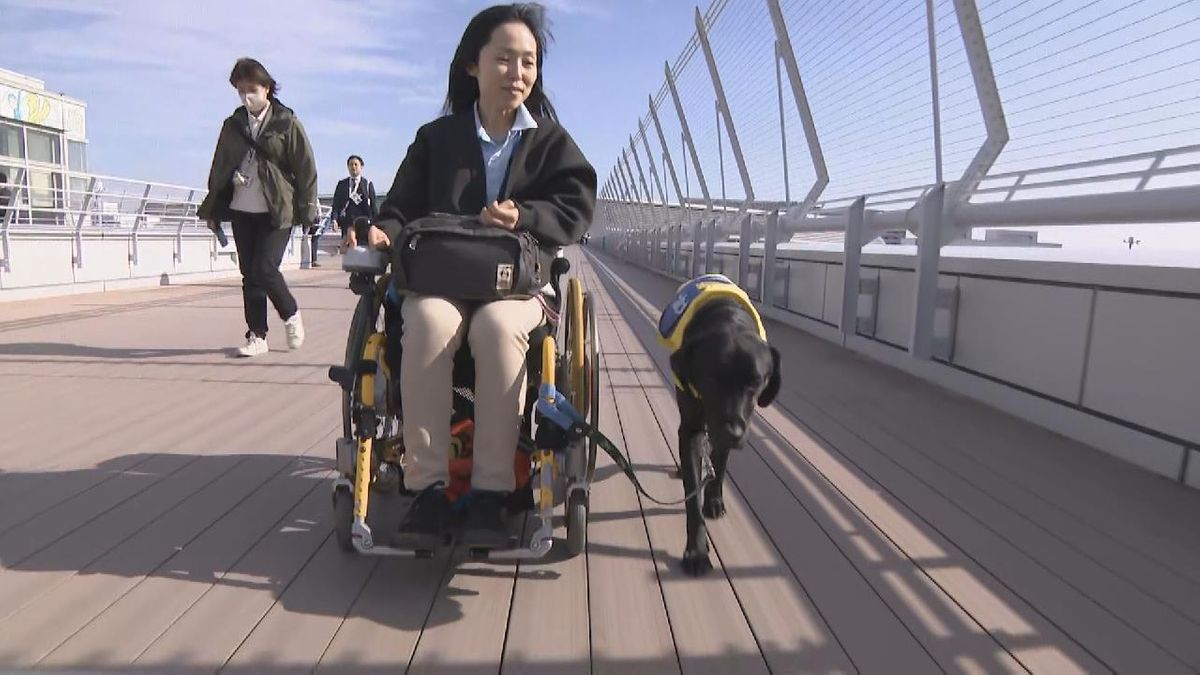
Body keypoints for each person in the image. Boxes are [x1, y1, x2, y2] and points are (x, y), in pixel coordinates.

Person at [367, 3, 596, 549]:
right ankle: (427, 488)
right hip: (442, 279)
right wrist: (381, 231)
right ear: (473, 65)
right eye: (504, 60)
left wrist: (527, 217)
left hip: (514, 284)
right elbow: (399, 206)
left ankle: (492, 493)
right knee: (424, 319)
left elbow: (576, 208)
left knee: (496, 328)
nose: (518, 74)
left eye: (529, 63)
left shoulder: (549, 142)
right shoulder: (436, 138)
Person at [198, 58, 318, 358]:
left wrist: (308, 211)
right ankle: (257, 335)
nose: (246, 96)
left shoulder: (286, 123)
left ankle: (290, 314)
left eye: (251, 89)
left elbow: (306, 169)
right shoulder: (233, 125)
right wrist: (213, 208)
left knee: (265, 269)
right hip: (242, 207)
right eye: (240, 90)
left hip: (277, 208)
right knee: (249, 274)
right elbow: (219, 167)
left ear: (266, 88)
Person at [333, 154, 379, 254]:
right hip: (348, 221)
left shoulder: (367, 184)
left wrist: (377, 222)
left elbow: (373, 205)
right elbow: (336, 204)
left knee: (363, 247)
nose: (353, 167)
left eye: (355, 164)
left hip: (364, 222)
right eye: (350, 164)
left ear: (361, 167)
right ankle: (353, 266)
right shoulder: (342, 184)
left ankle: (362, 266)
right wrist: (334, 219)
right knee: (347, 246)